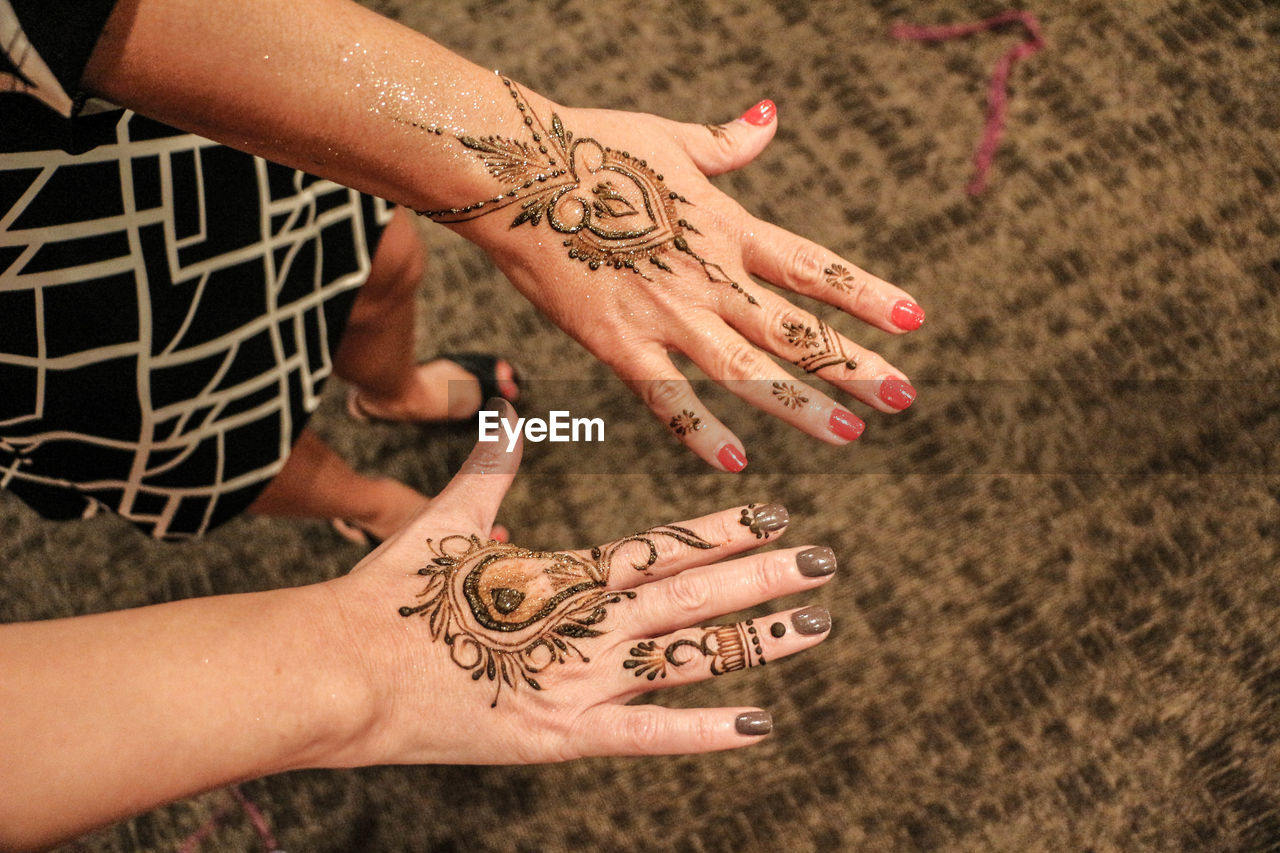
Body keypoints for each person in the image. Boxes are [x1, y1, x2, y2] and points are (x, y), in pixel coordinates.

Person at [0, 0, 924, 845]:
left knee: (375, 255)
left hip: (95, 121)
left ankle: (393, 390)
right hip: (32, 302)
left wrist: (515, 165)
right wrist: (359, 665)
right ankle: (360, 498)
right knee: (211, 432)